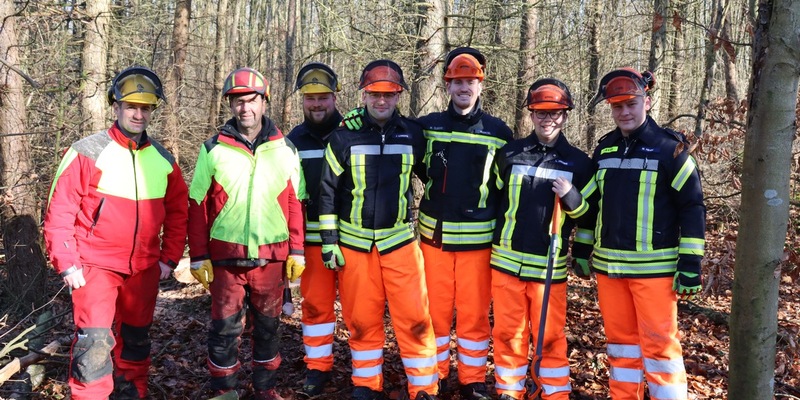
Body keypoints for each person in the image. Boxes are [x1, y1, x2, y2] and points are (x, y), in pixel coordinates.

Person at [43, 66, 188, 400]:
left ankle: (131, 393)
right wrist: (66, 261)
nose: (139, 114)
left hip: (144, 269)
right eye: (132, 106)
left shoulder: (164, 159)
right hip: (94, 267)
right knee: (93, 345)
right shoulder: (86, 151)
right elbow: (60, 210)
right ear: (116, 107)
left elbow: (179, 212)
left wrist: (169, 257)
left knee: (136, 341)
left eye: (146, 107)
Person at [318, 59, 439, 400]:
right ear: (364, 95)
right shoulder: (344, 136)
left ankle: (425, 387)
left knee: (415, 319)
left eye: (389, 94)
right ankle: (366, 385)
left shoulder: (414, 134)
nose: (381, 101)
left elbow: (434, 179)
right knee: (361, 320)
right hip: (355, 247)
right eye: (374, 94)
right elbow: (327, 191)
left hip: (400, 243)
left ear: (399, 95)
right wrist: (330, 242)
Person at [584, 68, 705, 400]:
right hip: (610, 270)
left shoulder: (671, 150)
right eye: (617, 106)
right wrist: (582, 249)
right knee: (621, 346)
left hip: (655, 272)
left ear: (646, 102)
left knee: (660, 346)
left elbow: (693, 206)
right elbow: (593, 203)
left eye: (631, 105)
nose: (624, 112)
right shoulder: (605, 149)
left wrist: (690, 264)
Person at [187, 67, 306, 400]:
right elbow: (196, 204)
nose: (245, 108)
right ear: (230, 105)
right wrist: (198, 255)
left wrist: (297, 250)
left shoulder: (286, 149)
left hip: (271, 258)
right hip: (226, 258)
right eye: (237, 101)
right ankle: (224, 390)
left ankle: (264, 389)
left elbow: (296, 202)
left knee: (268, 329)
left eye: (251, 100)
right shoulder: (212, 149)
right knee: (224, 330)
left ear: (264, 102)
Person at [415, 47, 513, 399]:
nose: (464, 87)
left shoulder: (499, 132)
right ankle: (435, 375)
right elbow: (409, 160)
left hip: (478, 243)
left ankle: (472, 378)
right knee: (434, 313)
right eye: (457, 81)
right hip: (434, 241)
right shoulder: (427, 127)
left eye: (470, 81)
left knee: (473, 315)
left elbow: (506, 188)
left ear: (481, 85)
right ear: (447, 86)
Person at [490, 79, 594, 400]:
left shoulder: (580, 163)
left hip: (548, 269)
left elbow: (588, 217)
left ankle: (554, 393)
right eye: (540, 113)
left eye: (555, 113)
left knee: (549, 337)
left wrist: (572, 197)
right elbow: (493, 202)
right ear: (531, 114)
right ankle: (510, 391)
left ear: (565, 116)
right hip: (505, 263)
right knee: (508, 334)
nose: (548, 120)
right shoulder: (509, 154)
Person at [286, 62, 343, 396]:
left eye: (323, 97)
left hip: (350, 240)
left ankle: (365, 370)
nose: (317, 103)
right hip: (309, 242)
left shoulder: (352, 132)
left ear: (335, 97)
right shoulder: (292, 141)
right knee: (316, 306)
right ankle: (318, 368)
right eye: (310, 97)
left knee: (359, 310)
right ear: (302, 101)